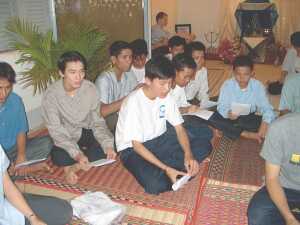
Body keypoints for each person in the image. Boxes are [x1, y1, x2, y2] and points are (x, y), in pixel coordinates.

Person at [115, 55, 211, 195]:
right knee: (154, 186)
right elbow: (137, 145)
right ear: (148, 80)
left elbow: (179, 128)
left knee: (205, 146)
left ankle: (176, 170)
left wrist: (189, 155)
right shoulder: (133, 102)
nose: (166, 88)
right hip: (132, 149)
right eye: (162, 84)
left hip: (159, 140)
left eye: (169, 83)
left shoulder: (167, 97)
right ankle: (172, 170)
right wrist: (166, 168)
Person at [42, 51, 115, 184]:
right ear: (61, 73)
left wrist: (107, 144)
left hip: (86, 131)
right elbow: (56, 131)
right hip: (67, 135)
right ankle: (77, 160)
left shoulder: (90, 89)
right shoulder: (51, 95)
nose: (78, 77)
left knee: (111, 146)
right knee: (58, 156)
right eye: (72, 72)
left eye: (81, 72)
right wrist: (77, 153)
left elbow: (97, 121)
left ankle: (73, 167)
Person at [247, 113, 300, 225]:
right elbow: (272, 179)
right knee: (258, 216)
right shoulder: (280, 128)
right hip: (285, 188)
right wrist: (289, 218)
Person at [0, 62, 52, 176]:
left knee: (47, 143)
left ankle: (13, 171)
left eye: (8, 88)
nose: (3, 94)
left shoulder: (16, 101)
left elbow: (21, 131)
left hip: (14, 149)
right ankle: (17, 171)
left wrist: (21, 155)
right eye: (0, 88)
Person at [209, 55, 276, 143]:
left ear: (252, 73)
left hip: (247, 118)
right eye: (238, 74)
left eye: (246, 74)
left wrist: (264, 124)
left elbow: (266, 108)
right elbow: (222, 107)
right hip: (230, 117)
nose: (241, 78)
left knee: (271, 122)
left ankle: (232, 131)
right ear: (233, 73)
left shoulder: (257, 86)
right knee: (212, 117)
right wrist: (228, 114)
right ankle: (245, 134)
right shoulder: (227, 85)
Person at [0, 144, 73, 225]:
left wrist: (33, 218)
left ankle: (24, 171)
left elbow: (8, 186)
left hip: (9, 210)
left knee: (63, 211)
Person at [95, 41, 138, 132]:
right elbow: (101, 112)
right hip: (106, 121)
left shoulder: (129, 74)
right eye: (125, 57)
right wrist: (129, 98)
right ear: (114, 59)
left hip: (123, 115)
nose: (129, 60)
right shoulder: (104, 79)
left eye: (130, 57)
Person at [185, 41, 210, 106]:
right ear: (188, 59)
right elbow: (187, 96)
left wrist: (204, 106)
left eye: (202, 57)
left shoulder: (203, 71)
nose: (201, 61)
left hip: (193, 103)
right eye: (197, 58)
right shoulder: (182, 72)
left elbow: (204, 92)